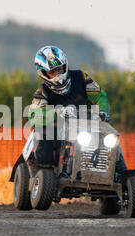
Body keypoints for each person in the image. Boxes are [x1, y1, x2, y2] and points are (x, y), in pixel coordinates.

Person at [28, 45, 127, 173]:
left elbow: (100, 97)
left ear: (65, 65)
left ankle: (121, 174)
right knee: (42, 132)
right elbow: (34, 115)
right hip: (57, 132)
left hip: (86, 125)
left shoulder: (81, 78)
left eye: (59, 69)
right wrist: (58, 112)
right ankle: (43, 172)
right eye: (53, 71)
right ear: (43, 73)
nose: (57, 74)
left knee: (111, 139)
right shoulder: (42, 92)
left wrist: (102, 111)